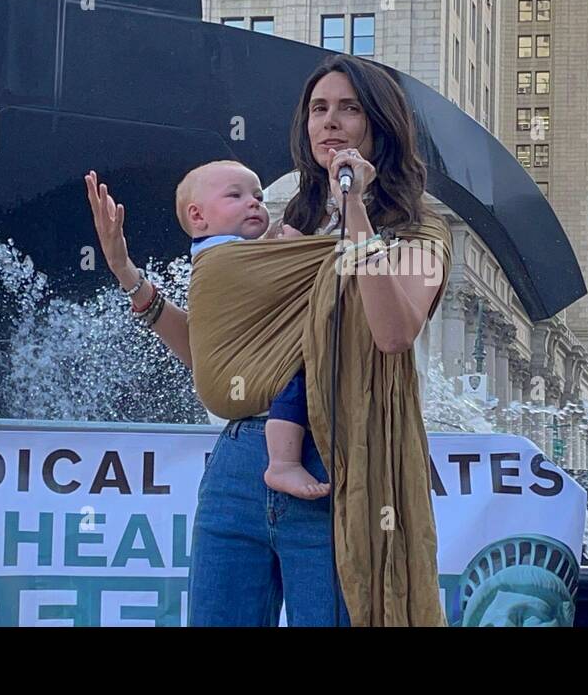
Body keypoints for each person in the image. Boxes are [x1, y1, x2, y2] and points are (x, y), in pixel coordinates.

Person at [84, 53, 451, 626]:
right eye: (318, 109)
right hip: (238, 465)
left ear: (380, 125)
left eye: (349, 109)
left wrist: (354, 206)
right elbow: (219, 353)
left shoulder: (419, 228)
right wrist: (129, 276)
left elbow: (394, 332)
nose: (329, 122)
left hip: (337, 471)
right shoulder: (286, 222)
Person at [172, 159, 327, 500]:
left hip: (238, 382)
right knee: (296, 377)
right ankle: (283, 462)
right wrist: (296, 248)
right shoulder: (222, 256)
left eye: (257, 195)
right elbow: (326, 260)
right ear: (198, 217)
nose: (254, 202)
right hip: (250, 386)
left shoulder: (229, 251)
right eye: (236, 195)